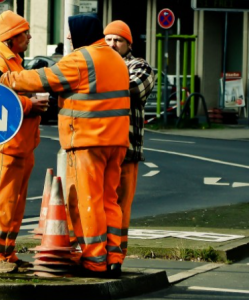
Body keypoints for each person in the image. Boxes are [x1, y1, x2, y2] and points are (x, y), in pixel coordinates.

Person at [0, 14, 130, 278]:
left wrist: (5, 79)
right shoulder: (116, 58)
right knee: (109, 201)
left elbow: (43, 79)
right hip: (117, 142)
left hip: (88, 141)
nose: (68, 37)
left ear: (81, 33)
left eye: (70, 32)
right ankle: (114, 257)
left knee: (86, 201)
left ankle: (94, 260)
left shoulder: (82, 58)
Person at [0, 10, 49, 273]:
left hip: (21, 144)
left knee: (15, 202)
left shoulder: (13, 61)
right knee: (4, 202)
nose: (29, 36)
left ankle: (7, 253)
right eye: (25, 33)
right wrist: (31, 104)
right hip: (9, 145)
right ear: (11, 38)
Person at [104, 20, 154, 261]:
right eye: (109, 39)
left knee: (121, 206)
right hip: (99, 147)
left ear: (128, 44)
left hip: (127, 149)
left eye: (118, 40)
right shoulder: (99, 64)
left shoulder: (140, 66)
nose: (112, 44)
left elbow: (132, 89)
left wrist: (98, 83)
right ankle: (96, 253)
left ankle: (116, 254)